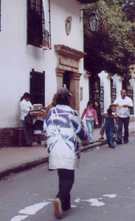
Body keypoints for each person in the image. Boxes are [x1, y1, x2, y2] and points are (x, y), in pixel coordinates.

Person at [44, 88, 87, 219]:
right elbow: (81, 131)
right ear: (68, 98)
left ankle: (65, 204)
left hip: (54, 148)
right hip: (68, 148)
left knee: (61, 175)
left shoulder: (51, 112)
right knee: (69, 178)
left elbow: (45, 128)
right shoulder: (72, 112)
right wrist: (86, 139)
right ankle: (59, 198)